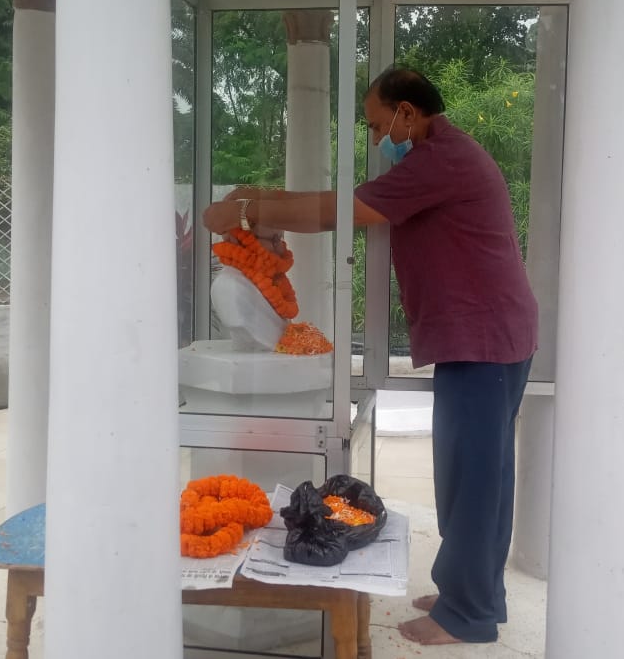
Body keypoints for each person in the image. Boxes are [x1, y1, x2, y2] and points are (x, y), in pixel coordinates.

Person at [202, 67, 539, 646]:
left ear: (408, 113)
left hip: (484, 339)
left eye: (379, 123)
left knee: (476, 480)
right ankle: (472, 592)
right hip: (482, 337)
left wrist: (246, 215)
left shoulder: (442, 161)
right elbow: (339, 201)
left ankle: (470, 616)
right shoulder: (434, 158)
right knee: (474, 478)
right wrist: (257, 200)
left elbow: (343, 211)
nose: (378, 135)